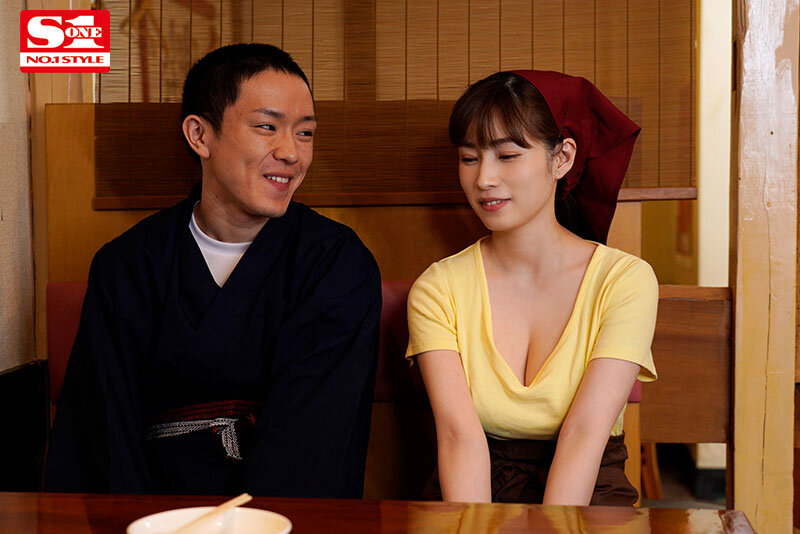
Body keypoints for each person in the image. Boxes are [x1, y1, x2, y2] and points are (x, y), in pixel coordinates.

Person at [45, 43, 381, 498]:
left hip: (282, 519)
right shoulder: (128, 265)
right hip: (151, 518)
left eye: (305, 133)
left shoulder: (336, 263)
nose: (291, 153)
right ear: (200, 135)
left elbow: (316, 439)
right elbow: (104, 436)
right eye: (267, 127)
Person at [405, 70, 658, 506]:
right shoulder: (437, 289)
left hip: (587, 494)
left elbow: (585, 432)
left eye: (507, 155)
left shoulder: (624, 281)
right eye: (469, 158)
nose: (484, 179)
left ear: (562, 158)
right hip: (472, 492)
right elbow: (458, 436)